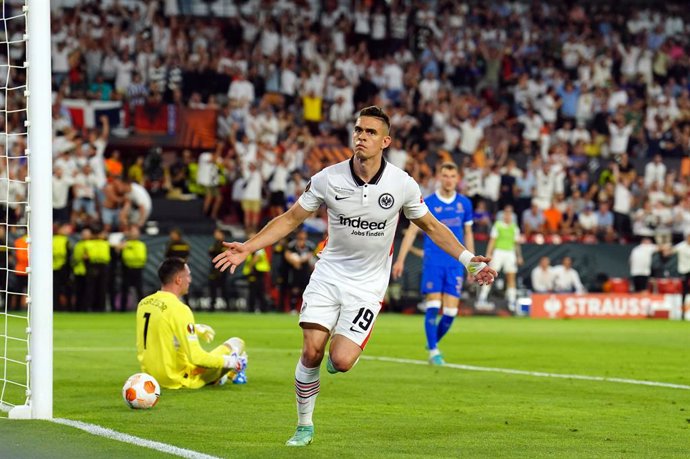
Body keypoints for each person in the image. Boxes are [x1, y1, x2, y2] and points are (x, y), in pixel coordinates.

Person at [212, 106, 496, 447]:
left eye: (371, 132)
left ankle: (341, 353)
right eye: (359, 130)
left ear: (385, 141)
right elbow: (290, 219)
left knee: (341, 361)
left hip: (368, 285)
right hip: (329, 275)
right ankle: (304, 425)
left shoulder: (402, 184)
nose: (362, 136)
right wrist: (249, 246)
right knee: (311, 351)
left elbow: (433, 227)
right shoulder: (327, 178)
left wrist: (468, 260)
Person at [392, 162, 475, 366]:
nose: (449, 179)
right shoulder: (427, 201)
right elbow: (412, 232)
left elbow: (468, 234)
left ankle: (432, 342)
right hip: (433, 262)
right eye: (445, 175)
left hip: (455, 263)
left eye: (452, 176)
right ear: (439, 177)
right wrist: (401, 260)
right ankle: (434, 352)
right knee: (433, 305)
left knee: (450, 313)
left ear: (458, 179)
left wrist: (472, 262)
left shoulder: (464, 204)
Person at [136, 257, 248, 389]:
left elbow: (160, 329)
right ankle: (224, 374)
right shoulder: (180, 309)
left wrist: (195, 328)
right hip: (179, 378)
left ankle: (222, 375)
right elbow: (197, 357)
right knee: (237, 343)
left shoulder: (144, 303)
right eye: (188, 275)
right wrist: (230, 362)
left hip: (150, 378)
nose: (190, 280)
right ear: (178, 279)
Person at [477, 205, 523, 311]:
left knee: (511, 277)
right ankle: (482, 298)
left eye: (510, 213)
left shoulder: (515, 228)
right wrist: (489, 253)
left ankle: (512, 301)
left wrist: (519, 256)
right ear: (503, 215)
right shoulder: (497, 225)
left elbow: (516, 244)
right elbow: (492, 240)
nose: (508, 215)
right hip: (498, 252)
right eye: (506, 213)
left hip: (510, 253)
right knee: (490, 275)